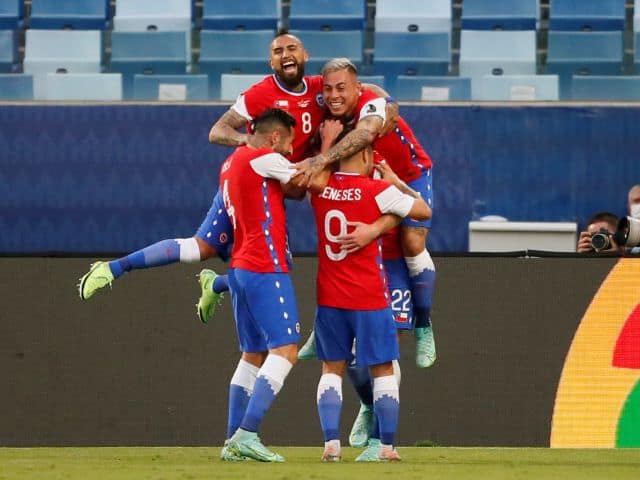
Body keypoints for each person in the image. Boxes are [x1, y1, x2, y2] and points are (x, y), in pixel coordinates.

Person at [78, 31, 398, 319]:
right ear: (270, 61)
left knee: (199, 249)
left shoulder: (319, 88)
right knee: (273, 265)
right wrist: (248, 141)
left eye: (292, 48)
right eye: (278, 50)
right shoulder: (259, 94)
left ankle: (197, 282)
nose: (285, 54)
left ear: (305, 56)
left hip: (277, 181)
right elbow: (217, 131)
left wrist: (388, 102)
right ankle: (124, 271)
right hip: (258, 181)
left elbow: (365, 88)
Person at [296, 57, 438, 370]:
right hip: (364, 179)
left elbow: (367, 131)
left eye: (342, 89)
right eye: (329, 89)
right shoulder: (325, 109)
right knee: (338, 237)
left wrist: (320, 161)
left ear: (357, 89)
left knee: (412, 241)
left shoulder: (371, 105)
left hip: (406, 175)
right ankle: (323, 328)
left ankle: (424, 323)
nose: (334, 95)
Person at [306, 132, 432, 461]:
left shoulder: (320, 188)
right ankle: (387, 447)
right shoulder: (377, 190)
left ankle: (331, 444)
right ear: (366, 157)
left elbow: (317, 174)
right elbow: (423, 211)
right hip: (370, 297)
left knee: (331, 369)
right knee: (383, 370)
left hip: (329, 297)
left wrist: (328, 145)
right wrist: (393, 184)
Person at [213, 108, 306, 463]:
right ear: (273, 138)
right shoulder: (263, 157)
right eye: (288, 144)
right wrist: (328, 145)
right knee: (285, 351)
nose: (289, 152)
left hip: (241, 267)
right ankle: (247, 434)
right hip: (265, 267)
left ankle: (231, 441)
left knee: (252, 356)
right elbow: (306, 178)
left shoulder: (231, 162)